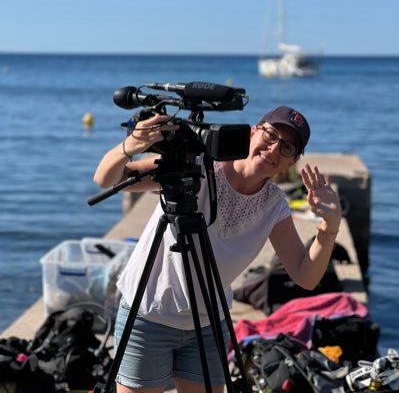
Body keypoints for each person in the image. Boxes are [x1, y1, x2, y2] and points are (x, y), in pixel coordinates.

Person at [93, 105, 342, 393]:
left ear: (293, 162)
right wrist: (130, 145)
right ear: (252, 133)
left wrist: (330, 223)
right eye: (270, 135)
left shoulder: (274, 204)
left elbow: (305, 276)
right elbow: (107, 179)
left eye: (287, 147)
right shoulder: (196, 168)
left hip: (209, 323)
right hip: (148, 315)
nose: (273, 149)